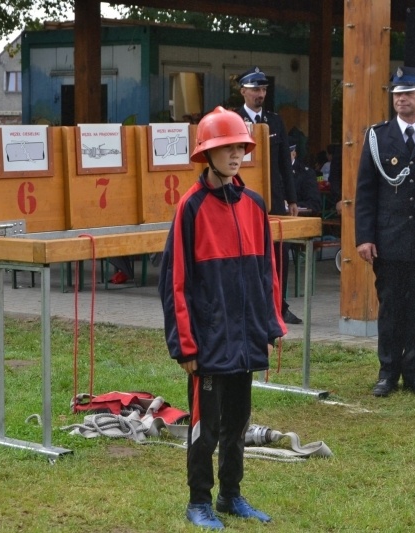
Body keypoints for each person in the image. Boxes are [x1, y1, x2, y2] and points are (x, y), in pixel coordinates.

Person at [159, 106, 285, 529]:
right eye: (226, 147)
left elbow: (267, 270)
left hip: (246, 339)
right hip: (209, 343)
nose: (236, 155)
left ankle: (231, 495)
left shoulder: (254, 204)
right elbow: (175, 282)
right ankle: (199, 501)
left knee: (238, 424)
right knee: (205, 428)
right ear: (206, 154)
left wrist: (270, 325)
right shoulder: (189, 208)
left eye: (240, 147)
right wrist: (185, 346)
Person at [355, 66, 415, 397]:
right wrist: (364, 236)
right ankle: (388, 371)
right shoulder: (378, 136)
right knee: (391, 307)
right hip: (389, 237)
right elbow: (366, 191)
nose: (401, 99)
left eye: (408, 93)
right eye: (396, 94)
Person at [233, 67, 301, 325]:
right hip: (243, 197)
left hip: (274, 198)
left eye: (263, 90)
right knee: (246, 252)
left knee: (279, 253)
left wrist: (292, 199)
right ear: (243, 92)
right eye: (254, 90)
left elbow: (285, 163)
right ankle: (249, 306)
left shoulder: (275, 121)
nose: (260, 94)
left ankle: (279, 306)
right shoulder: (233, 120)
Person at [290, 145, 322, 214]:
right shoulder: (272, 170)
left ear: (293, 153)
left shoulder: (306, 173)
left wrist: (293, 205)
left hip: (297, 217)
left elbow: (314, 203)